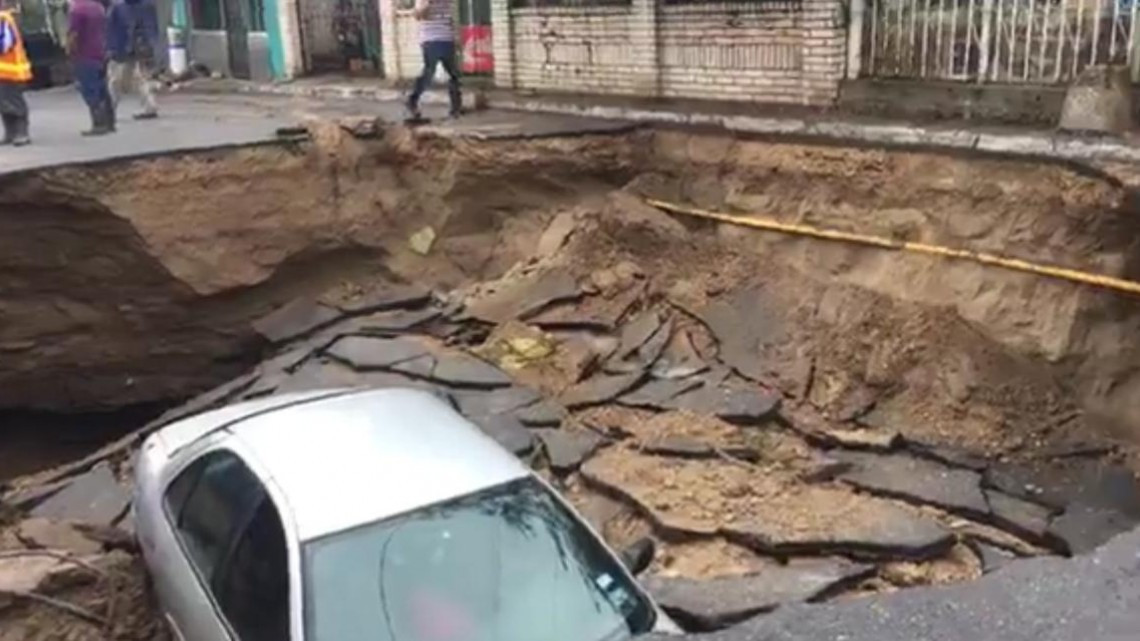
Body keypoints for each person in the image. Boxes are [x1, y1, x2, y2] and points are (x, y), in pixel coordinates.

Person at [406, 0, 460, 121]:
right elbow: (418, 16)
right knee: (429, 72)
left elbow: (451, 19)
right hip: (431, 39)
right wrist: (427, 4)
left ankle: (456, 108)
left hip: (447, 39)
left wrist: (456, 38)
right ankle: (412, 100)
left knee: (453, 75)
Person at [106, 0, 159, 119]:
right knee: (140, 78)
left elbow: (110, 29)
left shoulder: (118, 7)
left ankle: (109, 109)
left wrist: (110, 48)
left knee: (116, 80)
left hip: (123, 48)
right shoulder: (147, 5)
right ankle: (150, 106)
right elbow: (152, 27)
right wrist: (151, 44)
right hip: (139, 47)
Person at [69, 0, 114, 135]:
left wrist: (70, 52)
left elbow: (73, 35)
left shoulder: (77, 10)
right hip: (100, 52)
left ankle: (99, 124)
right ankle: (110, 122)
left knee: (90, 90)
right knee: (102, 88)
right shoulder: (98, 7)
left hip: (85, 54)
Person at [0, 0, 31, 145]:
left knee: (13, 101)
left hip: (9, 71)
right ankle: (10, 132)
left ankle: (21, 133)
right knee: (3, 102)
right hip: (4, 71)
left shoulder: (3, 18)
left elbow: (5, 43)